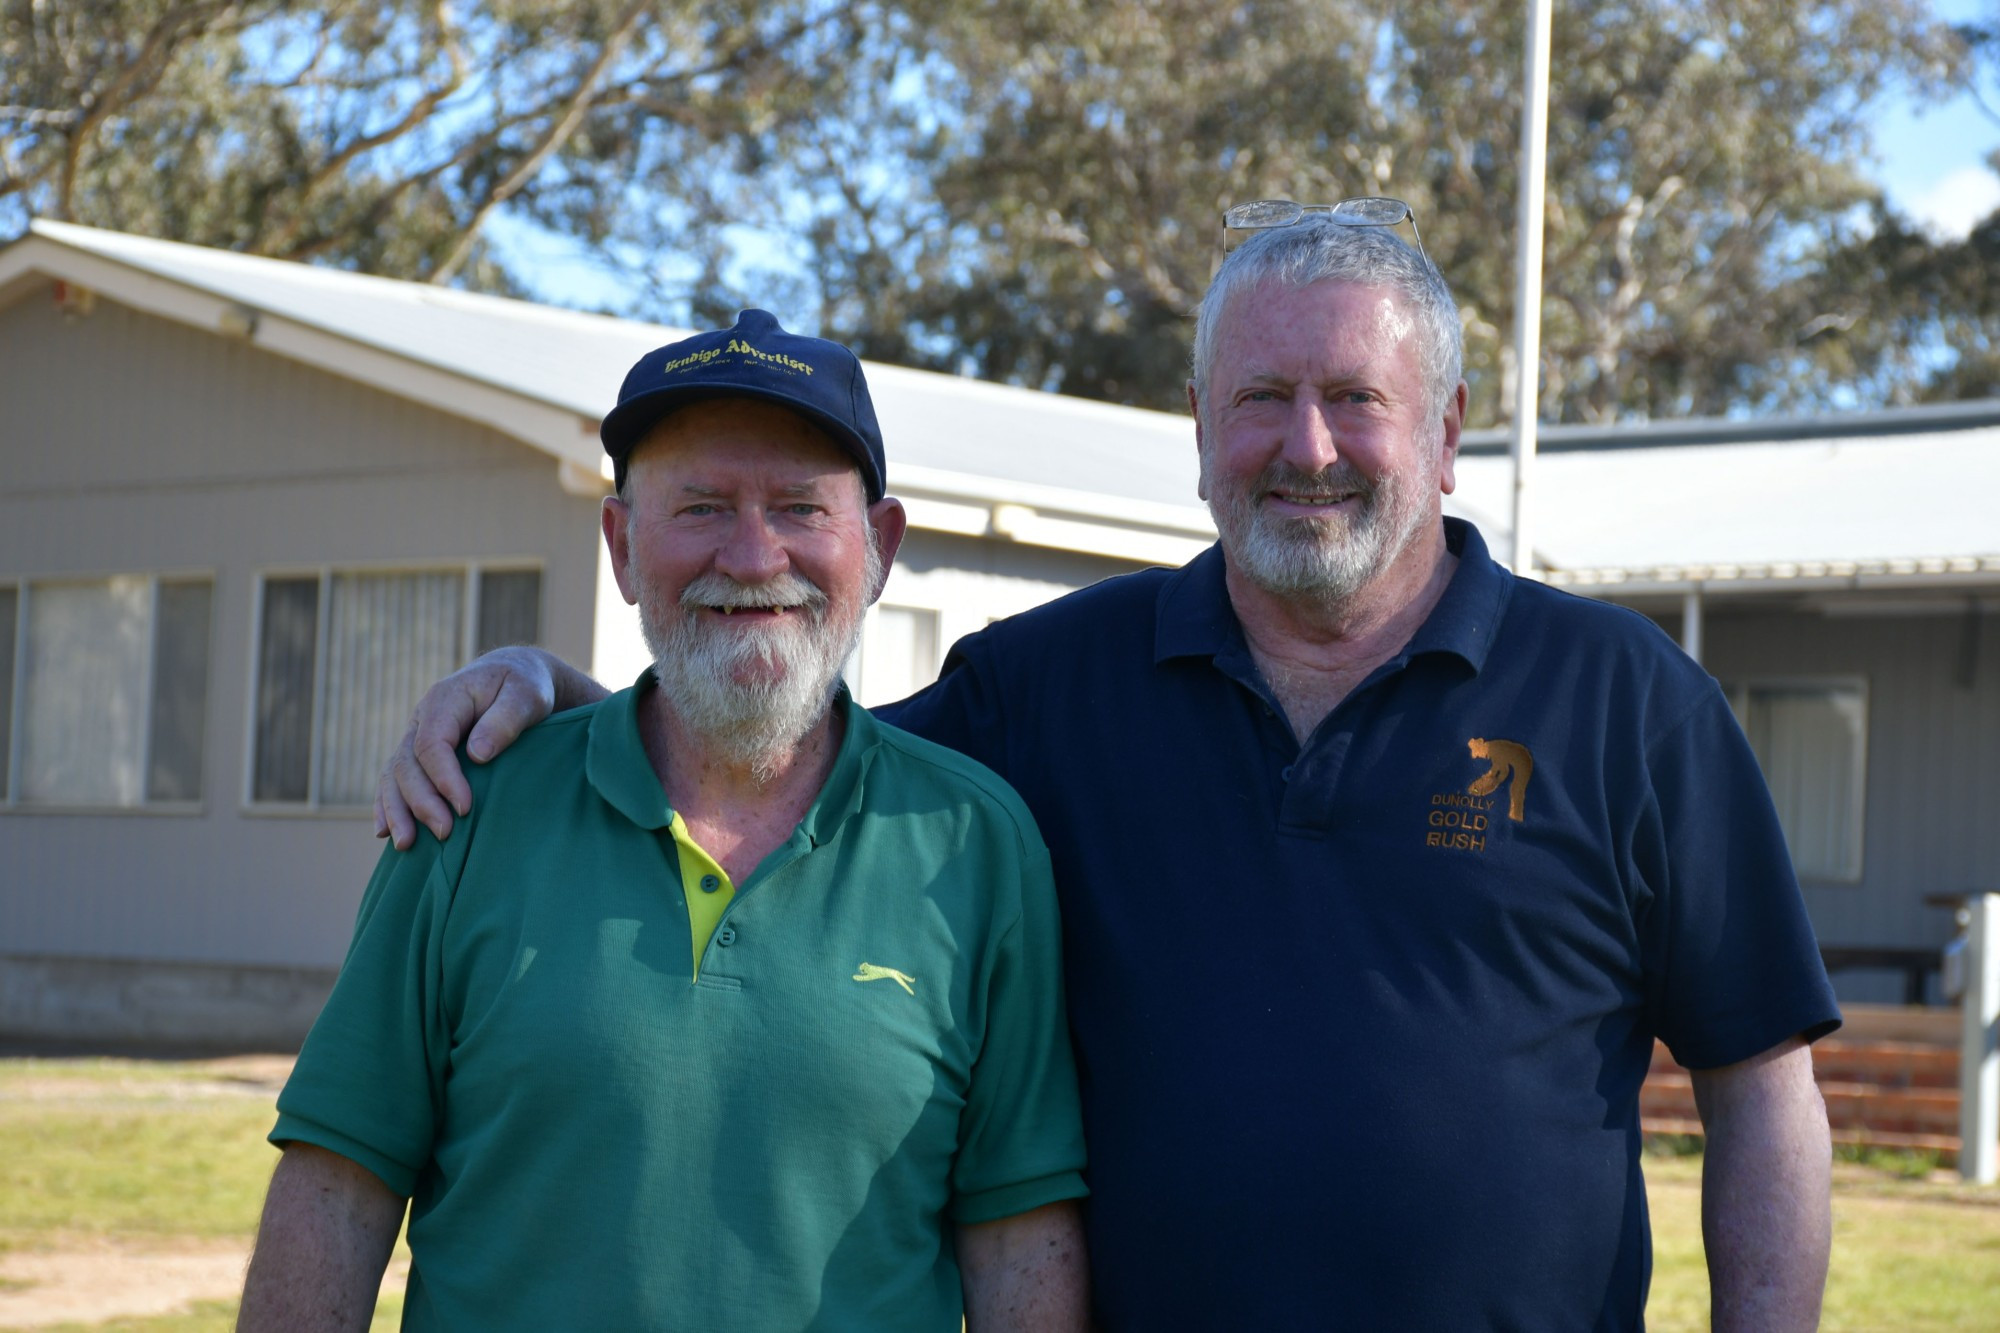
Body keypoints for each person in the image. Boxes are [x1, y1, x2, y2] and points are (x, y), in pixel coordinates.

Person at [377, 216, 1840, 1330]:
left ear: (1446, 435)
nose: (1306, 445)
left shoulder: (1630, 701)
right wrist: (563, 694)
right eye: (1259, 398)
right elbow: (796, 762)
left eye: (1356, 398)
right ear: (1201, 436)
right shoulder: (1047, 685)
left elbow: (1761, 1088)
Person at [241, 311, 1090, 1332]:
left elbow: (1018, 1231)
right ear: (620, 546)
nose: (749, 553)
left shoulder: (974, 842)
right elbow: (337, 1183)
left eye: (797, 507)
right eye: (699, 506)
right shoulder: (469, 808)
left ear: (878, 546)